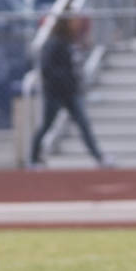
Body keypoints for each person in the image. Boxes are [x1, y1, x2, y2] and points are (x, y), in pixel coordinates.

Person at [29, 16, 110, 168]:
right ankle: (33, 158)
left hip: (71, 93)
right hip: (55, 94)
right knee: (47, 125)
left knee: (83, 124)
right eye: (74, 21)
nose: (77, 24)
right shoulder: (54, 43)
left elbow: (75, 64)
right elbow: (47, 69)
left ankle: (99, 157)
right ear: (65, 23)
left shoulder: (70, 42)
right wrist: (64, 81)